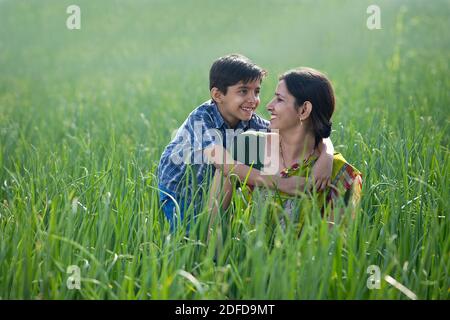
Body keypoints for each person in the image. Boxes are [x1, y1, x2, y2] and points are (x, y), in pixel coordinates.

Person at [157, 55, 335, 232]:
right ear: (218, 95)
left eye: (256, 91)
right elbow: (223, 163)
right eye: (243, 91)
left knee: (225, 228)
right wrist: (281, 183)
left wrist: (326, 155)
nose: (253, 99)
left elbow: (305, 131)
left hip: (212, 186)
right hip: (179, 189)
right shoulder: (202, 119)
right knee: (191, 237)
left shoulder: (252, 122)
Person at [209, 67, 362, 232]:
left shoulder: (340, 175)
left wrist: (326, 154)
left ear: (304, 110)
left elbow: (333, 249)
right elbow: (213, 220)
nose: (268, 106)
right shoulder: (247, 147)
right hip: (242, 255)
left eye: (279, 100)